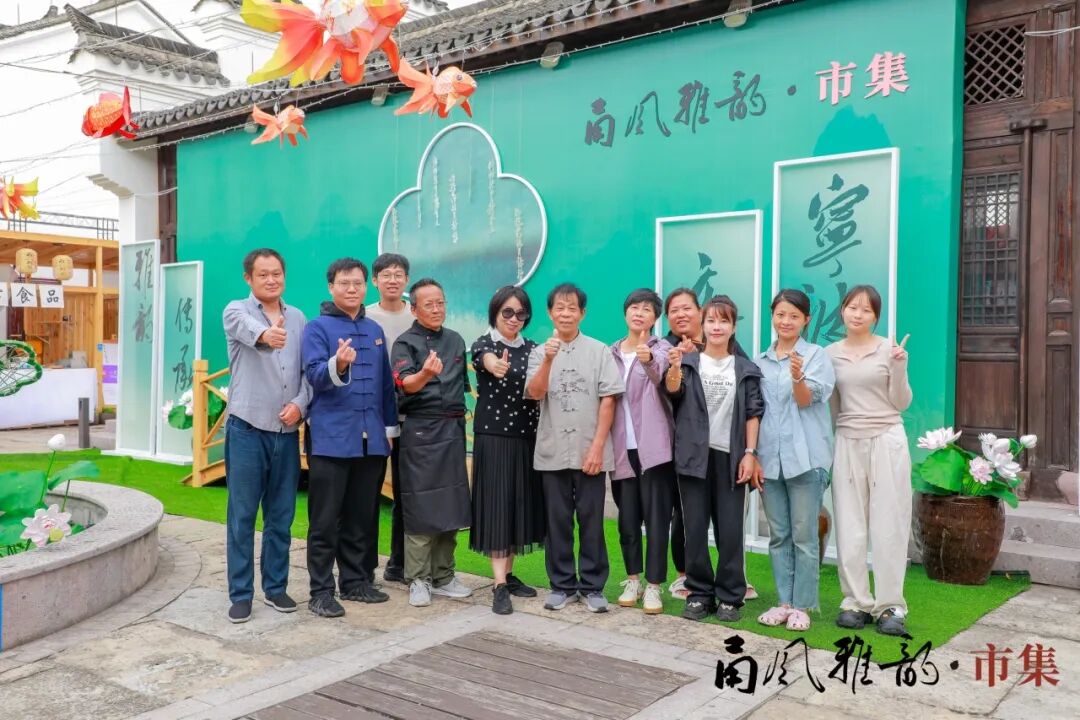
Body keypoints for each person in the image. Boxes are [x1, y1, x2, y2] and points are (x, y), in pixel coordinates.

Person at [301, 258, 398, 618]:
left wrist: (389, 431)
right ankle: (321, 591)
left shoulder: (374, 330)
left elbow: (386, 386)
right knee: (325, 520)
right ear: (331, 287)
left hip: (371, 440)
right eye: (344, 283)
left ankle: (356, 582)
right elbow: (314, 375)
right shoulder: (316, 328)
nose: (352, 289)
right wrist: (338, 364)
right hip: (330, 439)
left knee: (362, 516)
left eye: (358, 283)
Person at [222, 248, 311, 623]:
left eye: (277, 273)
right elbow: (248, 330)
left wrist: (301, 405)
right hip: (246, 429)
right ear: (249, 278)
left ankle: (275, 588)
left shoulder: (300, 318)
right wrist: (267, 334)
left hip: (286, 433)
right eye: (263, 274)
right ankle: (241, 594)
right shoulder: (235, 310)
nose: (271, 280)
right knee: (242, 517)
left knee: (281, 516)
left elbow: (308, 372)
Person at [525, 283, 623, 614]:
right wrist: (548, 359)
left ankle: (593, 586)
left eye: (572, 308)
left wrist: (597, 448)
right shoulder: (539, 352)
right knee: (558, 522)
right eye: (559, 307)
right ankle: (562, 586)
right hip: (552, 450)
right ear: (550, 312)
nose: (565, 313)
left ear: (582, 313)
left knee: (592, 521)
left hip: (589, 451)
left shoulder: (599, 351)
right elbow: (535, 393)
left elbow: (609, 400)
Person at [665, 295, 764, 623]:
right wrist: (675, 367)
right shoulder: (689, 363)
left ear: (733, 327)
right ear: (703, 325)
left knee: (731, 530)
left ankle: (731, 596)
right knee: (694, 529)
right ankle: (699, 593)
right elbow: (672, 391)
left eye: (724, 321)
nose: (717, 326)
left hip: (732, 458)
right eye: (711, 320)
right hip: (694, 457)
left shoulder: (746, 369)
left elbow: (753, 413)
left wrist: (750, 454)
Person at [826, 284, 913, 637]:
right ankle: (855, 601)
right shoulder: (830, 354)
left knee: (889, 523)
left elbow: (901, 402)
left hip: (886, 438)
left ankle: (891, 605)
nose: (858, 314)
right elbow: (833, 407)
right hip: (848, 440)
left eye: (866, 309)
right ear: (842, 310)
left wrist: (900, 367)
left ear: (876, 316)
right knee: (849, 524)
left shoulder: (889, 350)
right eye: (852, 307)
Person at [754, 289, 835, 632]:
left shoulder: (816, 356)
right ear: (772, 315)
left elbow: (805, 400)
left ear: (806, 320)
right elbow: (754, 413)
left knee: (804, 536)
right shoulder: (759, 361)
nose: (785, 321)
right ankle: (783, 603)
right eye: (780, 314)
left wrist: (798, 376)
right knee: (779, 535)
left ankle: (803, 605)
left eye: (794, 316)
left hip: (807, 459)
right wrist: (753, 456)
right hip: (769, 460)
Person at [392, 278, 474, 607]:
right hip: (420, 431)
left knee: (452, 504)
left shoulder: (455, 340)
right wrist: (426, 373)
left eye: (441, 302)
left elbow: (462, 387)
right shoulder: (405, 343)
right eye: (429, 304)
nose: (437, 309)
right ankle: (418, 578)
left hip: (452, 430)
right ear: (414, 309)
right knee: (421, 506)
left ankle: (444, 575)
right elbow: (406, 385)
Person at [468, 285, 544, 615]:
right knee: (498, 505)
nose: (514, 319)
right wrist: (494, 364)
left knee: (516, 505)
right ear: (495, 313)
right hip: (494, 437)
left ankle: (509, 575)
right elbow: (484, 360)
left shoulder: (534, 348)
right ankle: (499, 585)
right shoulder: (484, 344)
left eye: (520, 313)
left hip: (526, 437)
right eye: (507, 312)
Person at [610, 289, 676, 615]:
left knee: (657, 518)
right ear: (626, 313)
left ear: (655, 318)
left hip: (654, 450)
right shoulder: (610, 352)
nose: (639, 313)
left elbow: (660, 373)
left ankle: (654, 585)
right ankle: (633, 580)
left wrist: (647, 358)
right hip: (621, 450)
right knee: (627, 519)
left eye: (647, 309)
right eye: (634, 307)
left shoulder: (661, 348)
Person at [366, 252, 412, 585]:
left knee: (406, 493)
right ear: (375, 280)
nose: (392, 280)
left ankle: (399, 562)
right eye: (386, 274)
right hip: (373, 416)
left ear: (406, 280)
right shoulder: (365, 316)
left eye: (398, 274)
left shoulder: (416, 314)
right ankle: (364, 566)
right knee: (368, 492)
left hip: (411, 415)